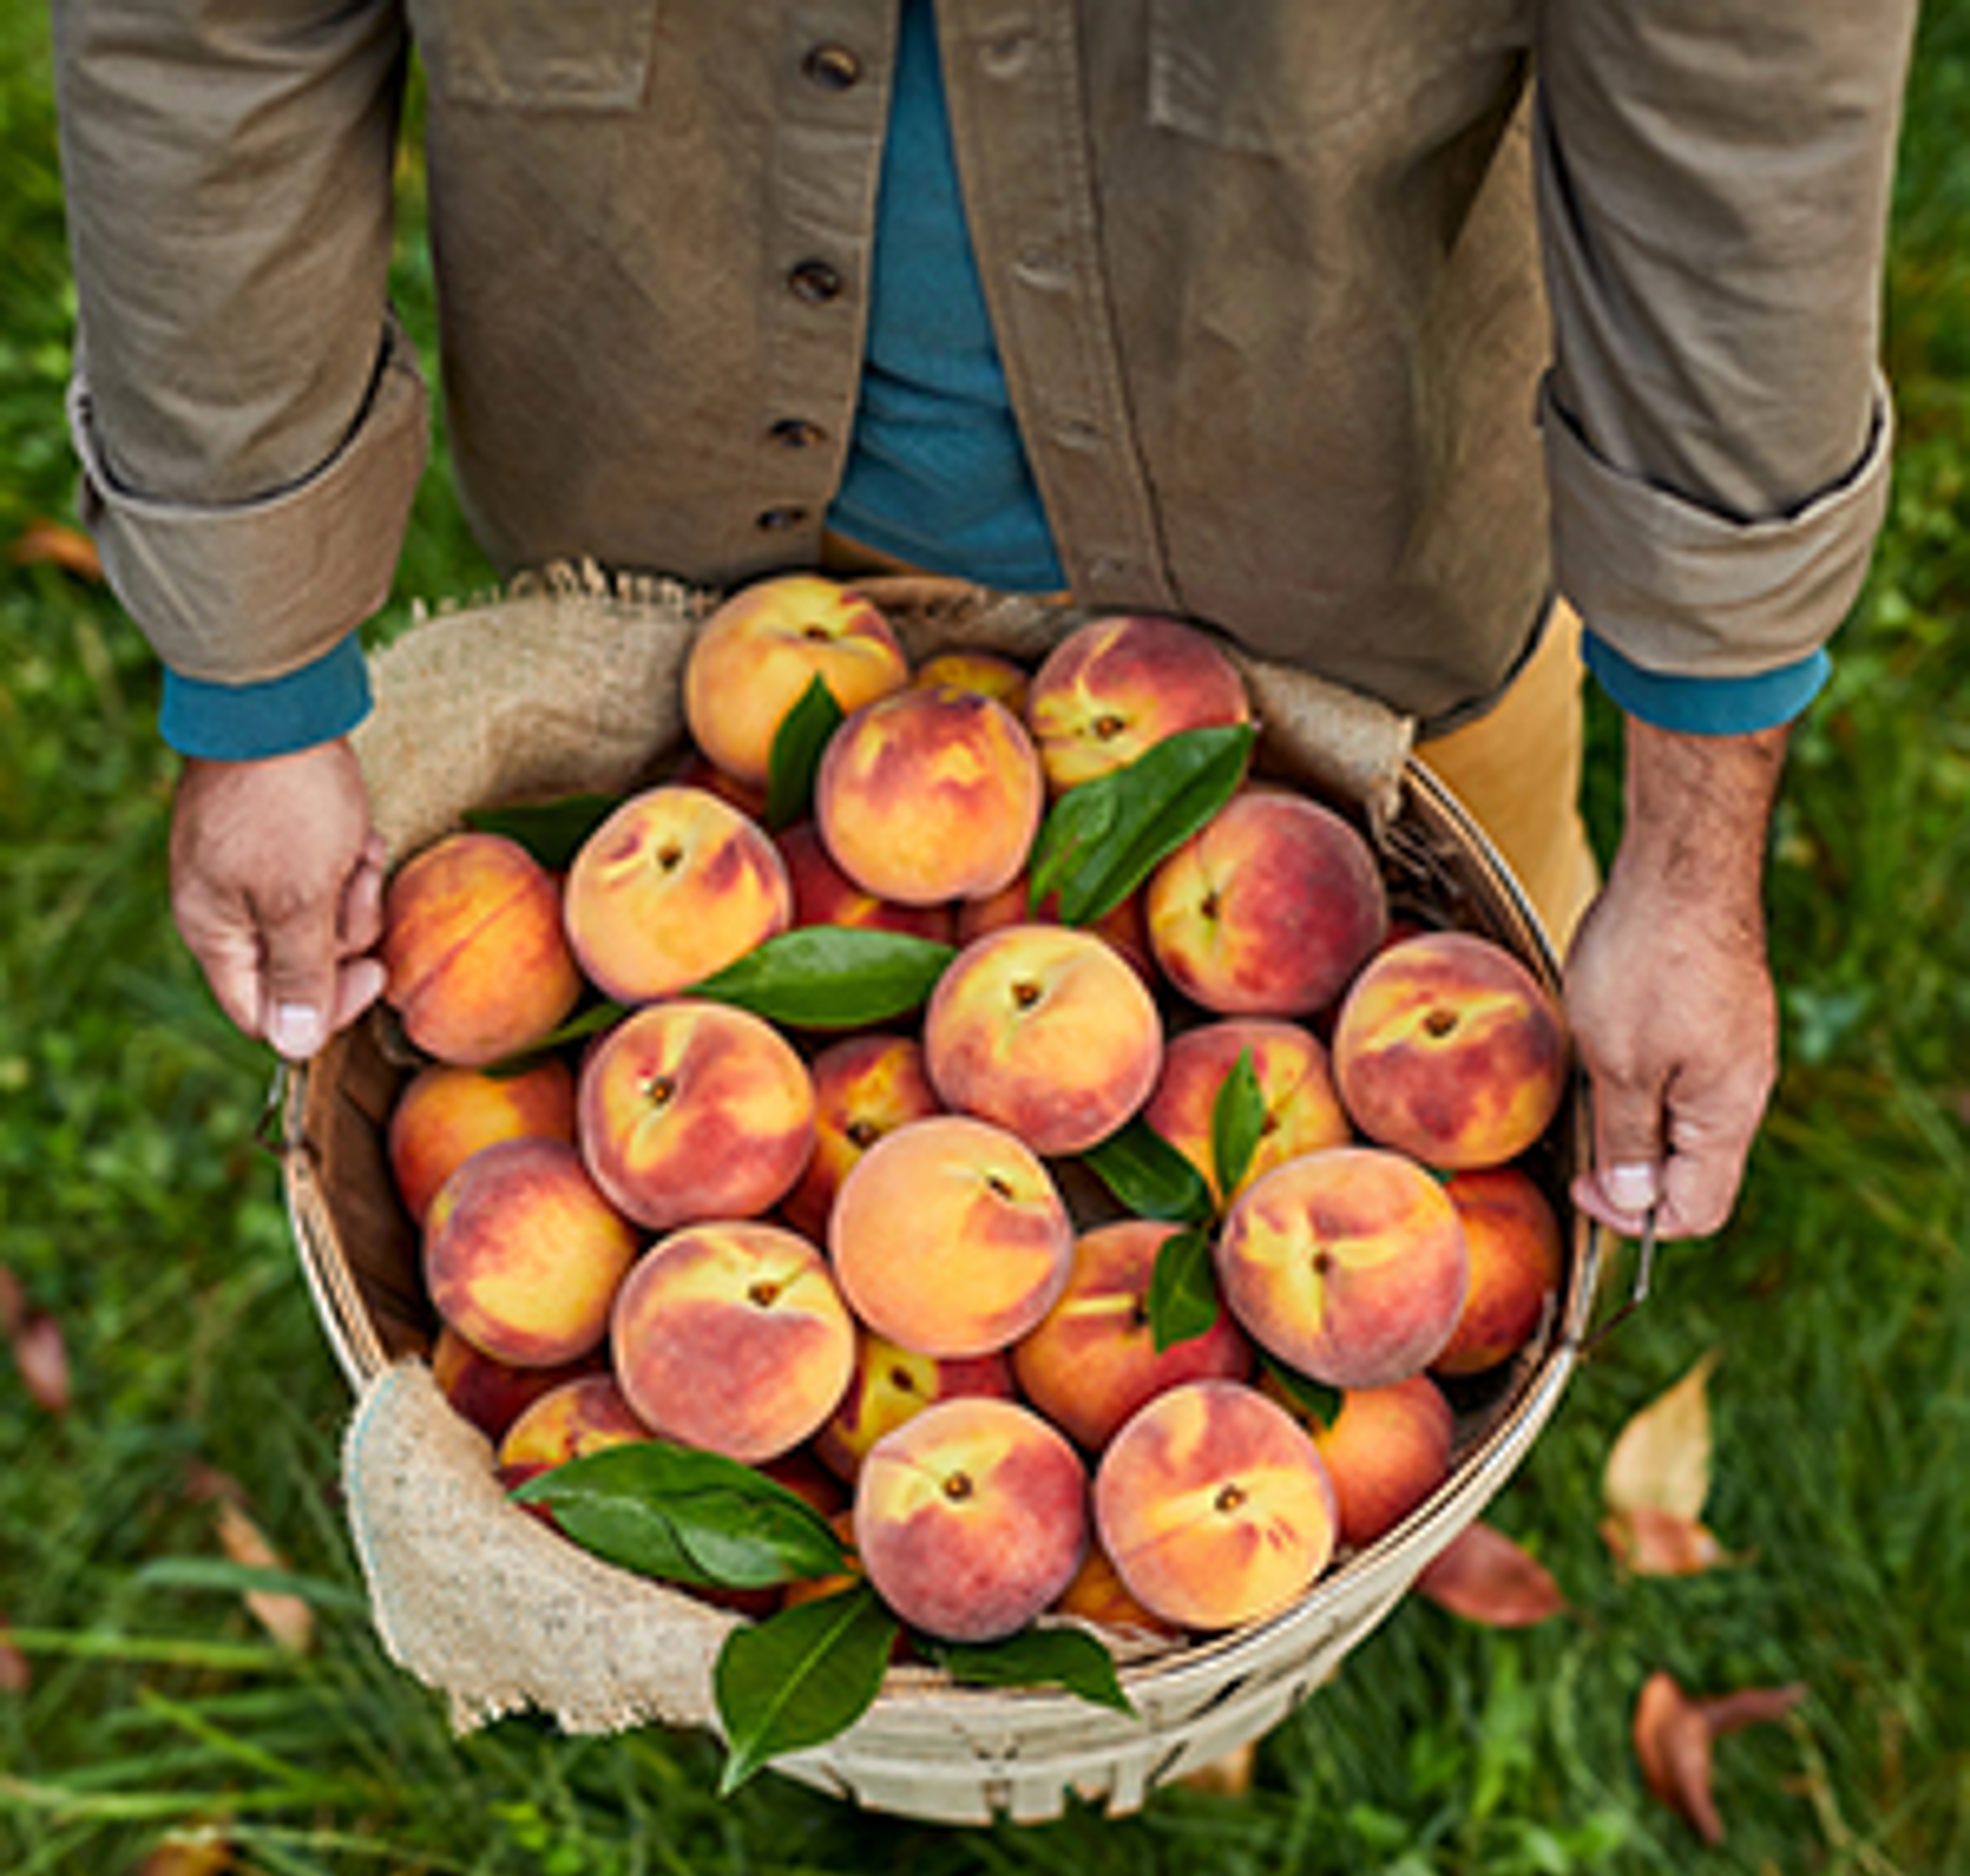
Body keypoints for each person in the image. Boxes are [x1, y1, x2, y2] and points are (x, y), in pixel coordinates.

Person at [51, 1, 1917, 1248]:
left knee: (1374, 1216)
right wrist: (257, 658)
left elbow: (1741, 78)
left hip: (1357, 584)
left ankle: (1197, 1702)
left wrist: (1694, 833)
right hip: (673, 598)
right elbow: (207, 36)